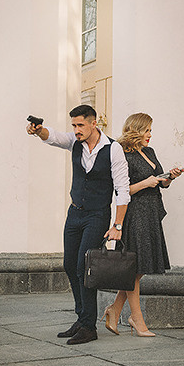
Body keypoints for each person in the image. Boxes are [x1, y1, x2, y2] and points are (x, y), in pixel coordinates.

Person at [27, 105, 130, 345]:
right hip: (74, 214)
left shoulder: (113, 149)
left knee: (85, 267)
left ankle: (89, 326)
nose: (76, 130)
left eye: (80, 125)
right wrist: (38, 130)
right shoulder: (75, 142)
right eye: (73, 125)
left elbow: (123, 190)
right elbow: (52, 137)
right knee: (69, 265)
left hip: (96, 215)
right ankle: (81, 318)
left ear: (95, 124)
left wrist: (118, 225)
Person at [102, 113, 183, 337]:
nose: (150, 134)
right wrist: (146, 183)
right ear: (136, 129)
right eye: (147, 130)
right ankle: (137, 320)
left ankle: (115, 310)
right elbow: (121, 190)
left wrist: (170, 177)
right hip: (133, 214)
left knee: (137, 268)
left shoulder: (149, 152)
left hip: (150, 213)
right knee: (135, 267)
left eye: (150, 130)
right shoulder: (121, 152)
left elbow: (161, 181)